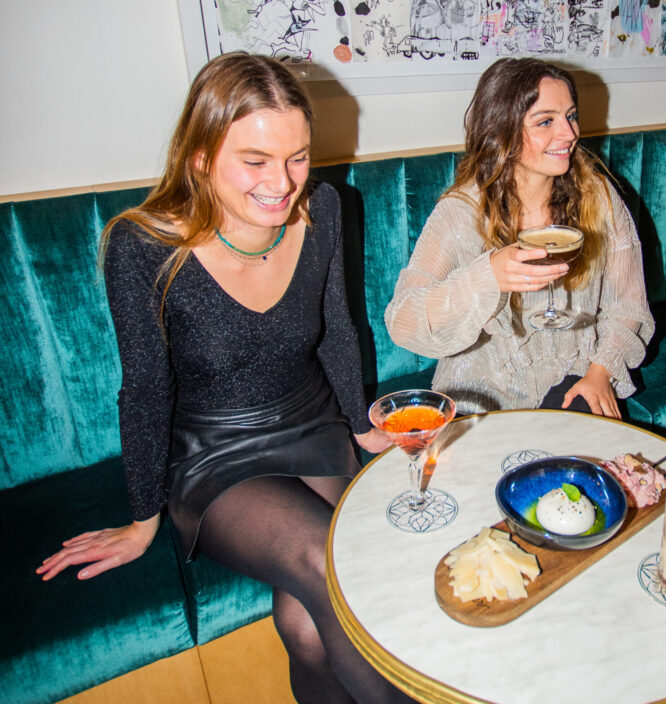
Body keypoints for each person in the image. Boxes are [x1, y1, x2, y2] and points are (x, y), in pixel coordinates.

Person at [36, 52, 411, 704]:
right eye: (256, 160)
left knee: (308, 627)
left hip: (314, 424)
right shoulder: (144, 246)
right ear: (202, 157)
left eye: (297, 156)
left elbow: (341, 330)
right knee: (332, 564)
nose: (284, 181)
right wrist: (143, 515)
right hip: (214, 455)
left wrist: (360, 424)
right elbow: (146, 388)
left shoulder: (325, 208)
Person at [385, 57, 654, 417]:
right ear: (503, 132)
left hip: (573, 378)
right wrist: (487, 276)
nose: (570, 134)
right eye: (546, 121)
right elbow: (403, 322)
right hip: (483, 393)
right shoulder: (463, 211)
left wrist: (601, 371)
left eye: (571, 116)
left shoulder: (598, 196)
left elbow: (628, 306)